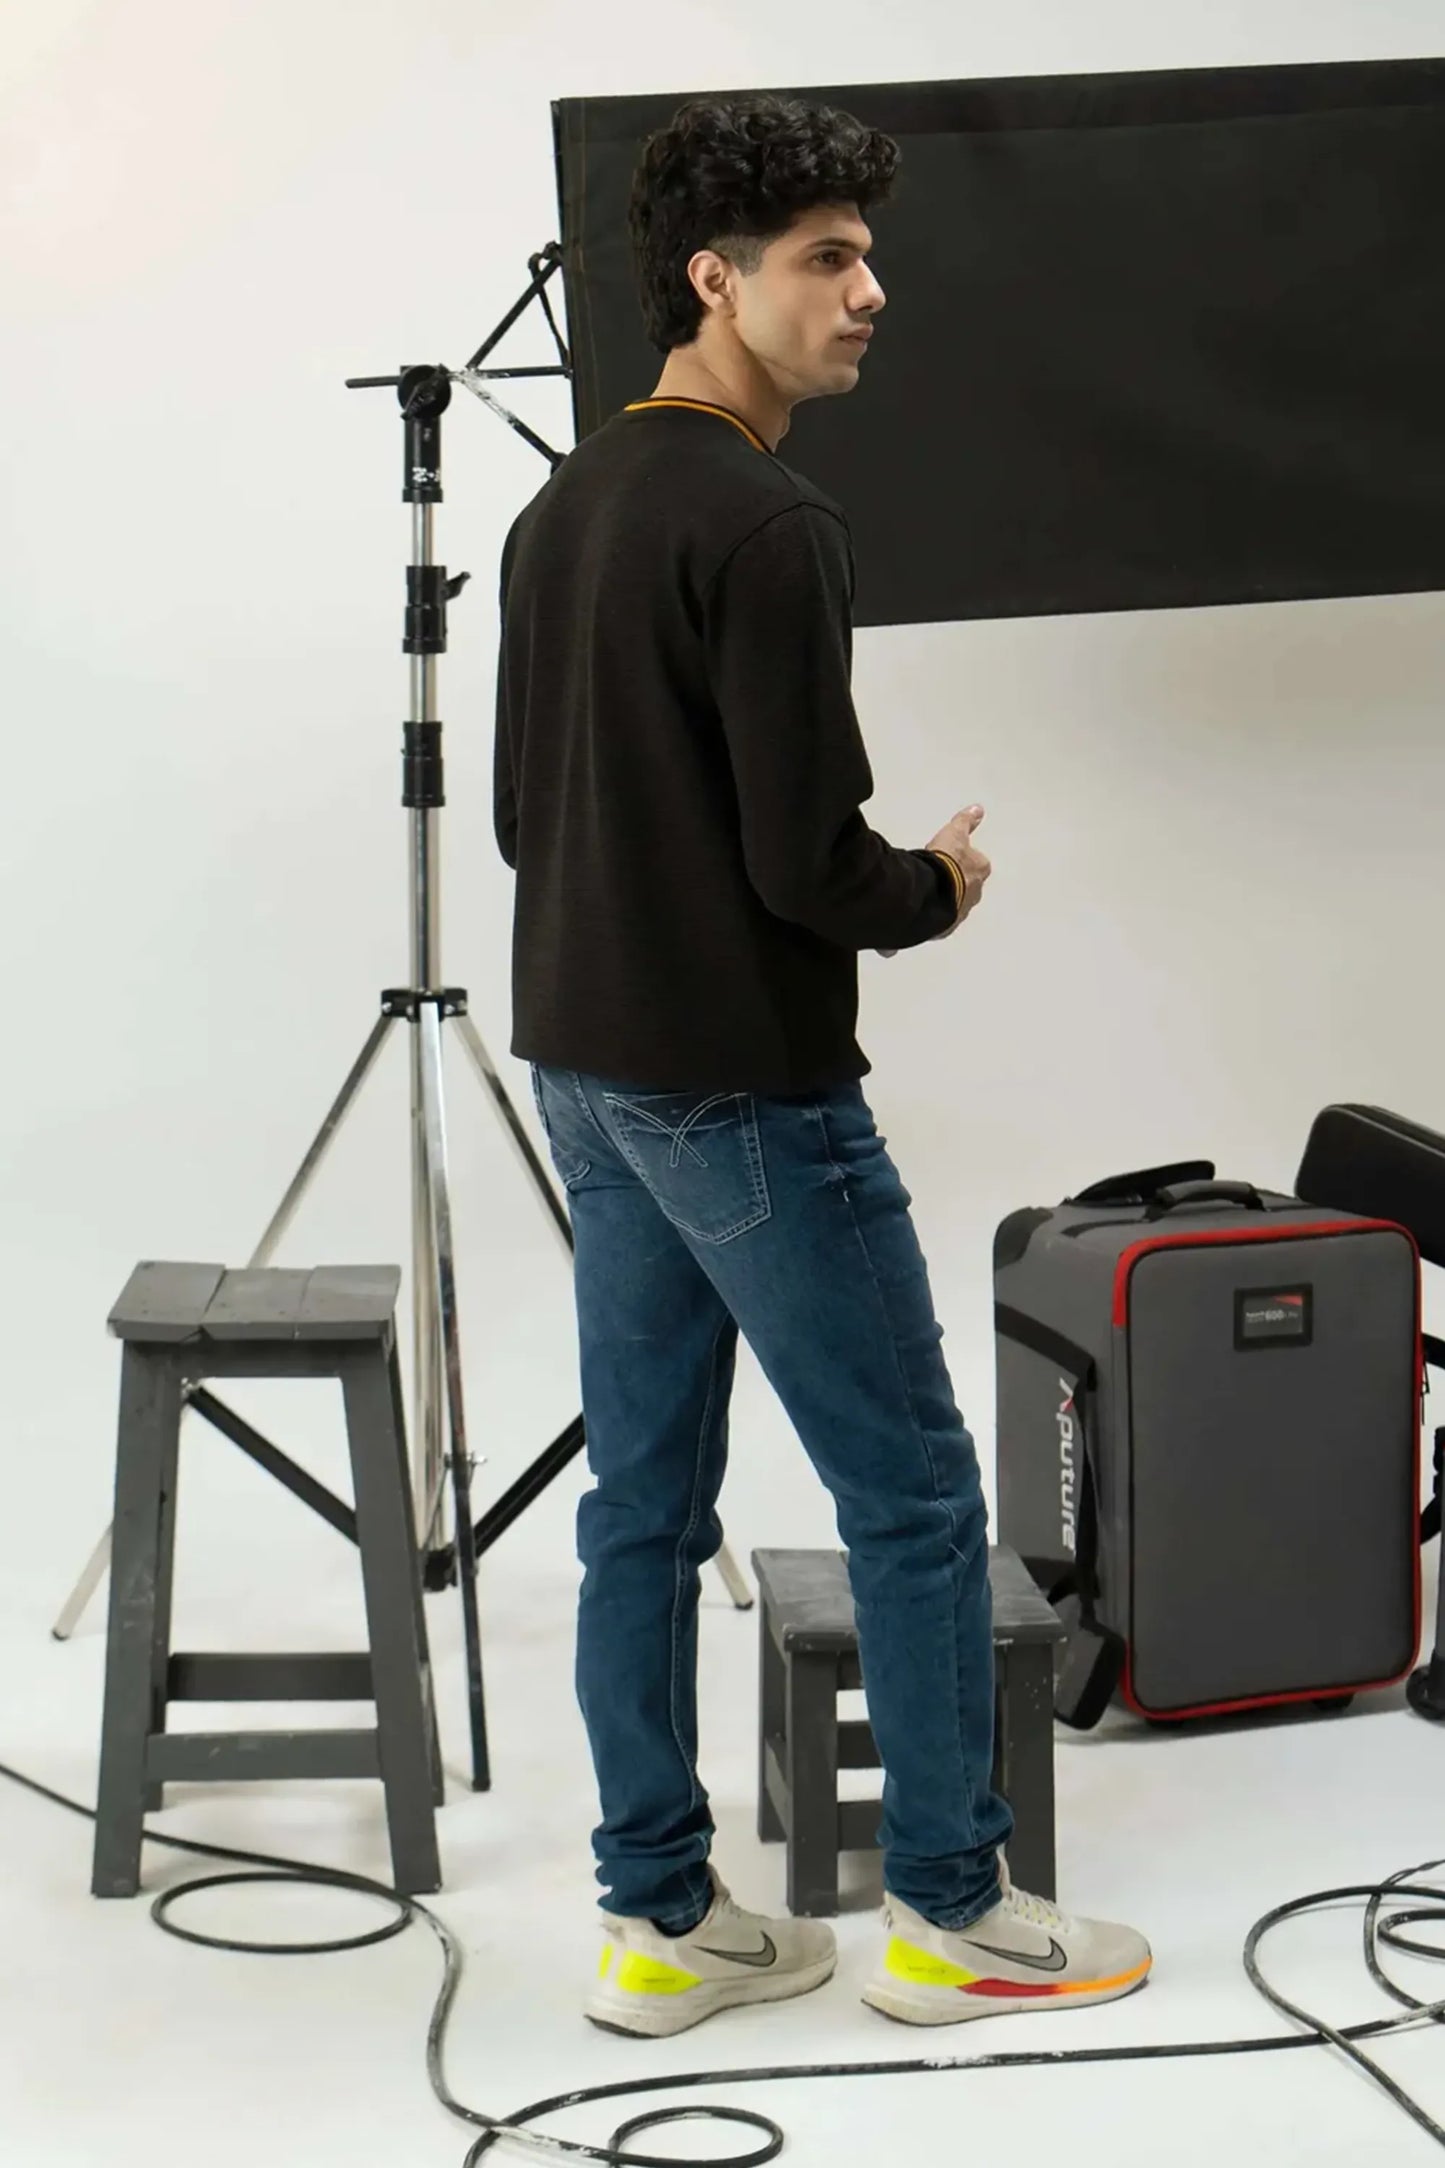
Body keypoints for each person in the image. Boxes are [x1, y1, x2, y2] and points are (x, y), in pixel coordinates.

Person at [492, 90, 1150, 2039]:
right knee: (923, 1500)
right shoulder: (772, 525)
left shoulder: (562, 506)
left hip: (588, 1075)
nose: (874, 289)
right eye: (828, 257)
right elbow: (810, 869)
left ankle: (656, 1923)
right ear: (717, 281)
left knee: (640, 1506)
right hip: (750, 1095)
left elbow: (541, 823)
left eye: (865, 250)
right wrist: (934, 885)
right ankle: (951, 1911)